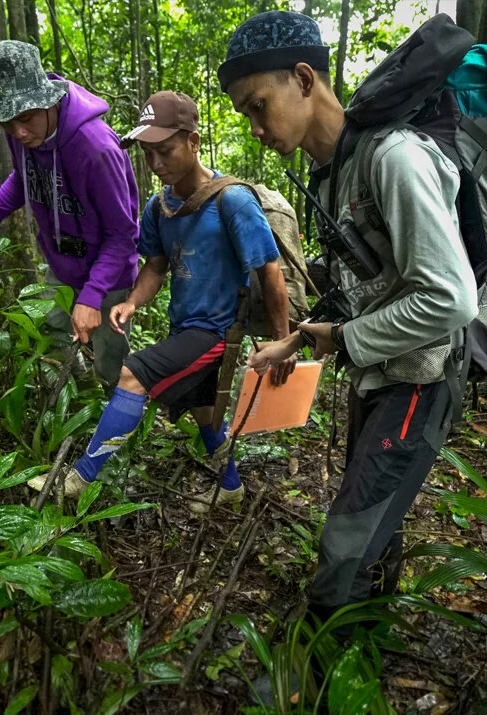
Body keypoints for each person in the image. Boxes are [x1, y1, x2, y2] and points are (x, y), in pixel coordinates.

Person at [220, 11, 479, 621]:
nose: (255, 128)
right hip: (380, 372)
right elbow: (370, 283)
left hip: (420, 378)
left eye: (258, 106)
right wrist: (298, 338)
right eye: (245, 114)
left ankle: (323, 659)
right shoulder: (333, 174)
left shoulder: (395, 160)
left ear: (303, 79)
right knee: (371, 522)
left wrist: (340, 336)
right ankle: (372, 633)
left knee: (345, 544)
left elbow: (452, 299)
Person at [31, 90, 295, 512]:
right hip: (184, 326)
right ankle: (231, 487)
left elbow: (270, 271)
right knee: (205, 413)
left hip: (216, 332)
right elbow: (155, 266)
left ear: (193, 141)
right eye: (147, 153)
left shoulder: (232, 201)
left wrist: (283, 342)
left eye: (165, 150)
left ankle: (79, 477)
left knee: (132, 375)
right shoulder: (160, 207)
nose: (155, 164)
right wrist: (133, 301)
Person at [0, 40, 139, 391]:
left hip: (109, 275)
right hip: (62, 264)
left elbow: (122, 236)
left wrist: (92, 295)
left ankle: (115, 415)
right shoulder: (23, 137)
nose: (19, 132)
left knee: (111, 359)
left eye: (25, 118)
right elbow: (24, 179)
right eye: (7, 123)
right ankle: (79, 399)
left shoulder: (96, 149)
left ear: (49, 100)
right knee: (52, 340)